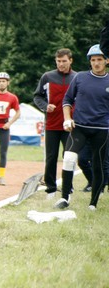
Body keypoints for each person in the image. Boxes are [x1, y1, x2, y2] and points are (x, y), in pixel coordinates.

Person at [55, 44, 109, 211]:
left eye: (99, 59)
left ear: (107, 61)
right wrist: (67, 119)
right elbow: (67, 100)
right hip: (79, 127)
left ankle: (93, 203)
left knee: (98, 166)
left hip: (102, 130)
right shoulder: (80, 78)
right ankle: (64, 198)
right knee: (68, 158)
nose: (96, 63)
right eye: (93, 60)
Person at [32, 48, 82, 197]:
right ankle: (51, 189)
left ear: (71, 61)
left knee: (69, 158)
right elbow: (37, 96)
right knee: (51, 158)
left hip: (70, 125)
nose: (61, 64)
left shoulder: (77, 77)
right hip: (52, 125)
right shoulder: (47, 77)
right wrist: (45, 106)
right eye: (58, 61)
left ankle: (68, 188)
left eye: (64, 61)